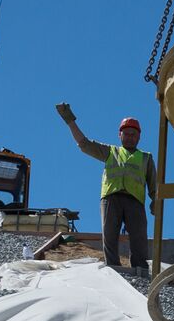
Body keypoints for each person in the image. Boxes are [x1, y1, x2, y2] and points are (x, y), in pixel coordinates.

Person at [55, 103, 156, 271]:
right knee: (109, 235)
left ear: (139, 137)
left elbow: (154, 184)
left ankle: (141, 270)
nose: (130, 137)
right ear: (120, 135)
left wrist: (155, 201)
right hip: (111, 198)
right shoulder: (110, 152)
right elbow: (84, 144)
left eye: (133, 134)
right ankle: (113, 268)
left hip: (135, 201)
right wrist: (70, 121)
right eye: (126, 133)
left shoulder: (146, 158)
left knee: (139, 237)